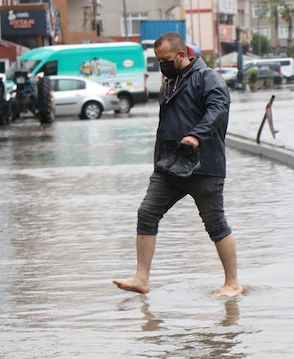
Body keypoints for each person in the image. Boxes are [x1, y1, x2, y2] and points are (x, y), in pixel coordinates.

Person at [113, 32, 243, 297]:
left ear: (182, 55)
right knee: (147, 213)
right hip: (169, 165)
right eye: (158, 59)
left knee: (215, 223)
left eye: (166, 59)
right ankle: (141, 278)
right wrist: (159, 161)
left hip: (204, 165)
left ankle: (232, 283)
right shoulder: (169, 83)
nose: (162, 64)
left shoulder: (208, 78)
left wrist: (196, 136)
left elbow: (218, 109)